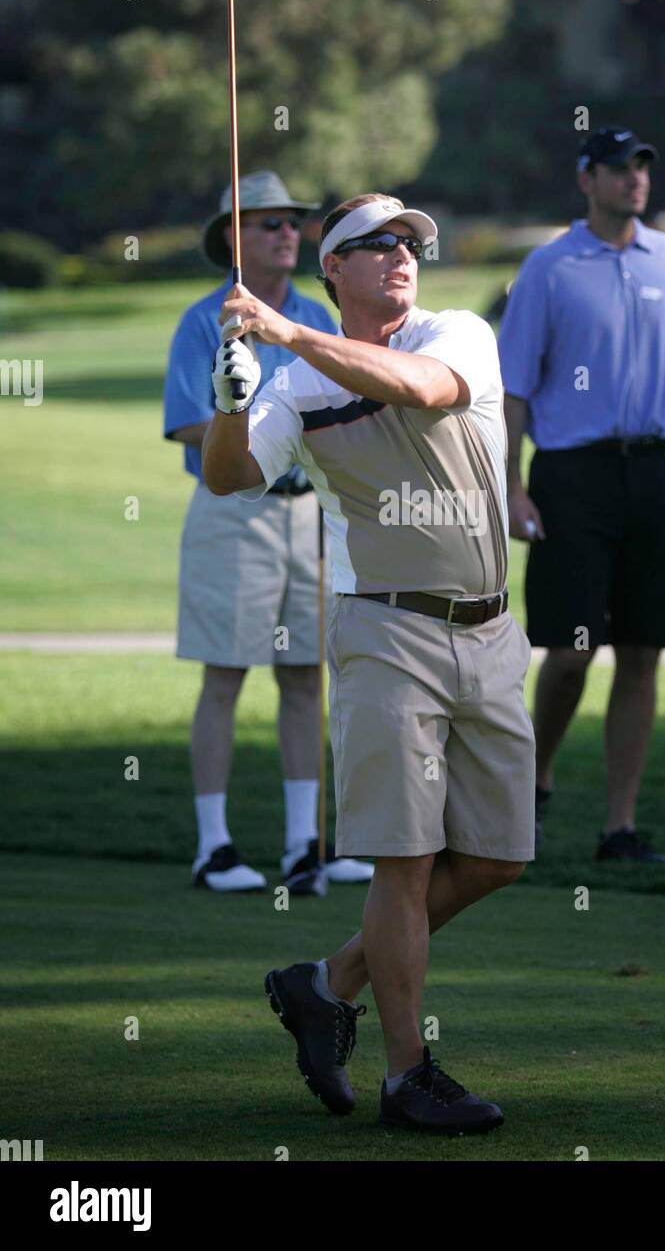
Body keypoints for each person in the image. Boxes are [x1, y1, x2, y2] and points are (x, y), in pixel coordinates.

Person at [199, 192, 535, 1134]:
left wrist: (284, 334)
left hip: (492, 632)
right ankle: (406, 1076)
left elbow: (420, 389)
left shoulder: (457, 332)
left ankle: (326, 982)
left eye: (410, 242)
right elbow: (230, 474)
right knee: (405, 861)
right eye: (374, 244)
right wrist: (228, 403)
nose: (400, 254)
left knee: (500, 856)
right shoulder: (296, 387)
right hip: (384, 633)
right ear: (332, 271)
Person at [498, 127, 665, 864]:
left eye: (642, 165)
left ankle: (620, 829)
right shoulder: (548, 268)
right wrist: (510, 485)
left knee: (643, 653)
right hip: (573, 477)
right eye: (618, 168)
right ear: (586, 179)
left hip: (661, 473)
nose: (635, 178)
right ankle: (532, 788)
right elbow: (511, 390)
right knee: (571, 653)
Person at [163, 170, 373, 893]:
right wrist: (245, 417)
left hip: (309, 514)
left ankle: (302, 845)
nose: (287, 232)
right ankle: (214, 848)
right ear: (233, 238)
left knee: (305, 677)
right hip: (233, 509)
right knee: (225, 674)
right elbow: (184, 422)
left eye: (291, 222)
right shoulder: (206, 319)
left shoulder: (316, 314)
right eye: (267, 222)